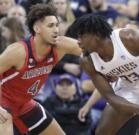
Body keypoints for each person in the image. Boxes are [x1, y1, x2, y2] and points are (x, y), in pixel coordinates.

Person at [73, 14, 139, 135]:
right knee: (102, 132)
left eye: (82, 36)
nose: (78, 41)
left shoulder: (129, 38)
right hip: (128, 84)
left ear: (96, 35)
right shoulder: (87, 60)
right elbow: (109, 96)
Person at [0, 3, 81, 135]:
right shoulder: (19, 51)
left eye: (57, 25)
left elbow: (91, 50)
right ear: (37, 28)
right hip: (3, 103)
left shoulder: (61, 45)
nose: (56, 30)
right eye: (50, 26)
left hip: (24, 103)